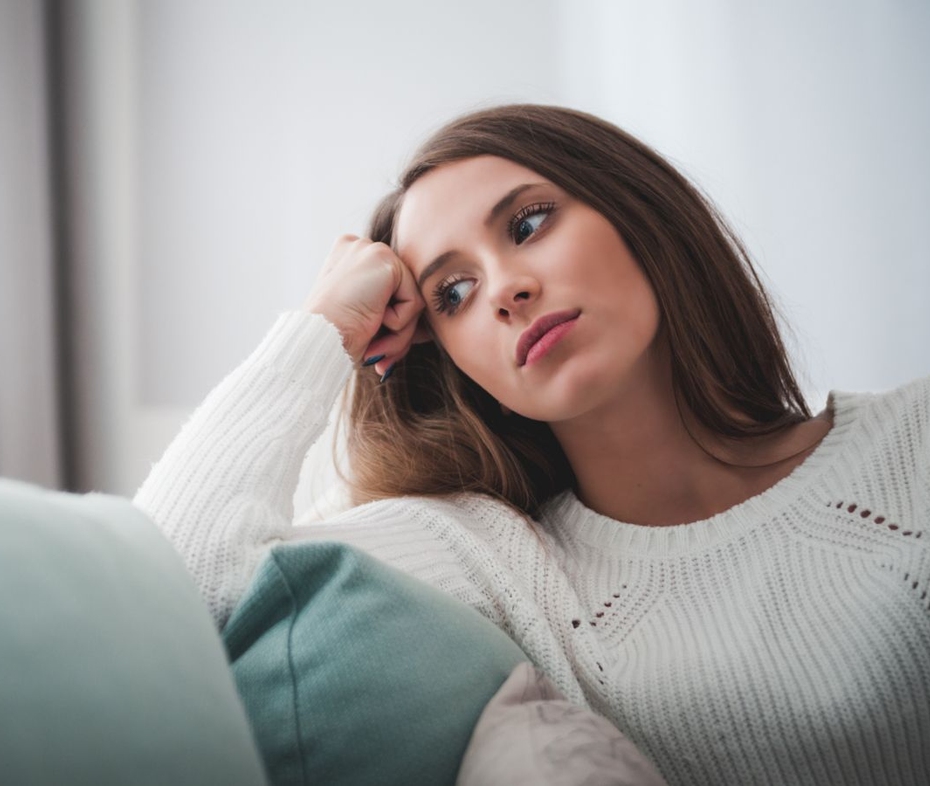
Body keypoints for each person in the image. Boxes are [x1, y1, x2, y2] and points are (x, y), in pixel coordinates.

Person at [133, 104, 930, 785]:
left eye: (528, 224)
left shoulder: (914, 439)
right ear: (450, 359)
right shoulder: (497, 559)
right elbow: (169, 597)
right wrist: (321, 331)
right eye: (453, 292)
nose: (507, 289)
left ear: (635, 209)